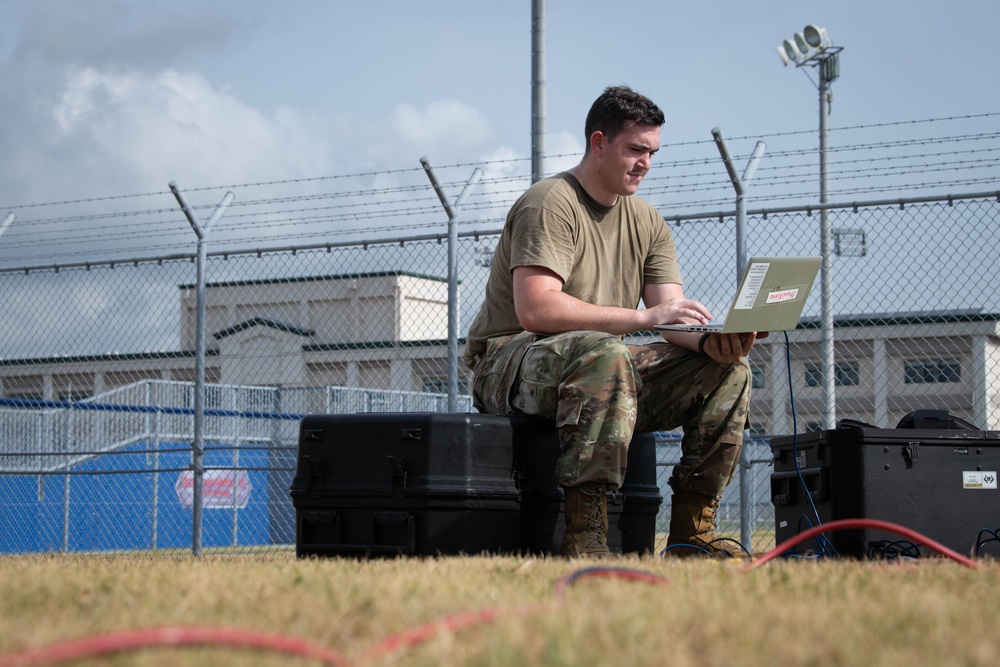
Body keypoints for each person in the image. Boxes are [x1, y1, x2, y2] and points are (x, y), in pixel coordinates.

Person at [464, 85, 758, 558]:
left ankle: (691, 535)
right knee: (607, 352)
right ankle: (587, 536)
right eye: (635, 150)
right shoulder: (550, 203)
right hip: (507, 361)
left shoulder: (648, 221)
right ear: (598, 142)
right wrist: (644, 316)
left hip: (598, 362)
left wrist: (710, 343)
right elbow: (536, 309)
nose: (645, 163)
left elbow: (672, 315)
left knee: (729, 372)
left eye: (652, 152)